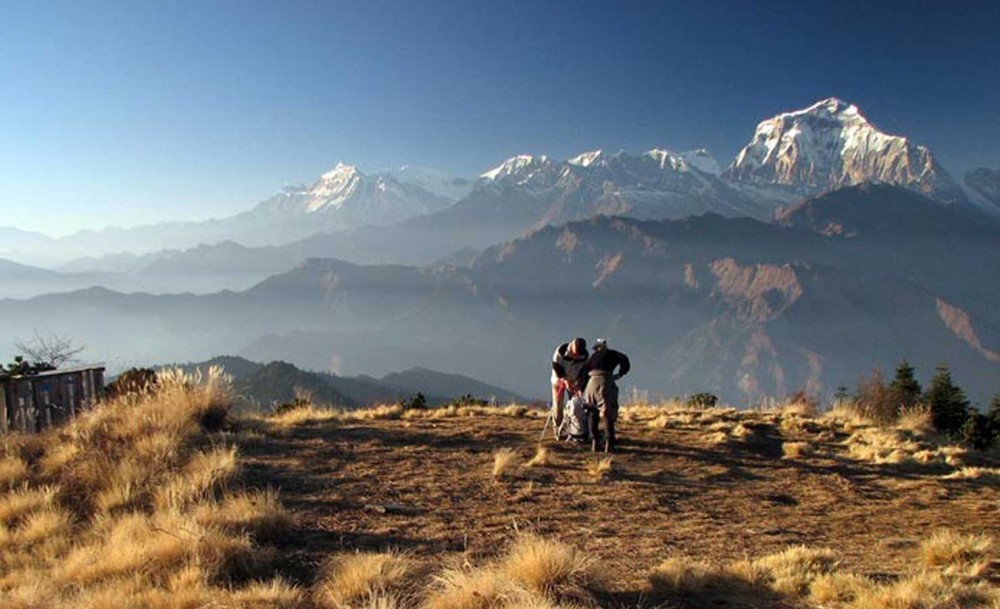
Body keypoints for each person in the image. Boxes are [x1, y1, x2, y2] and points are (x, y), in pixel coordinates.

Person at [584, 338, 630, 453]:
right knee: (607, 414)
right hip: (606, 383)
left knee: (592, 412)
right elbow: (625, 361)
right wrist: (620, 374)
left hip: (591, 385)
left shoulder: (593, 357)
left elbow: (584, 371)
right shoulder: (614, 354)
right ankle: (609, 443)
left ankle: (595, 442)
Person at [551, 337, 589, 430]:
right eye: (575, 353)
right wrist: (564, 380)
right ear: (572, 346)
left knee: (575, 405)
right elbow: (556, 368)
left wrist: (580, 384)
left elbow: (584, 371)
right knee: (558, 404)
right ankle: (558, 428)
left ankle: (575, 429)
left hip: (574, 382)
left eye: (578, 355)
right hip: (558, 381)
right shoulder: (560, 351)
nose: (576, 357)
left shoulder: (584, 355)